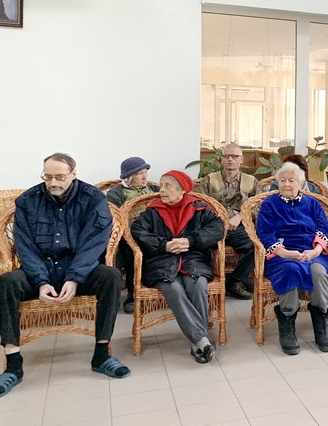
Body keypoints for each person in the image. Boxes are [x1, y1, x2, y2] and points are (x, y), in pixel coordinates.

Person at [0, 153, 130, 399]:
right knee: (5, 283)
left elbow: (93, 244)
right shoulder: (27, 200)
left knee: (110, 276)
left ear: (73, 174)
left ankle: (102, 355)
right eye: (48, 177)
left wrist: (75, 278)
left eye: (59, 177)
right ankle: (13, 364)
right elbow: (25, 247)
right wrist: (41, 281)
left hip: (79, 269)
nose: (53, 183)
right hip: (41, 269)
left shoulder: (93, 198)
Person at [131, 171, 224, 363]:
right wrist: (163, 245)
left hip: (193, 261)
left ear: (182, 190)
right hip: (161, 264)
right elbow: (138, 232)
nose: (162, 190)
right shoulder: (152, 212)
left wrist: (191, 241)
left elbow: (217, 228)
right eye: (161, 186)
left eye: (167, 186)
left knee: (198, 286)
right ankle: (201, 340)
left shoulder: (199, 209)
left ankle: (196, 342)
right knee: (173, 289)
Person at [256, 162, 328, 354]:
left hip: (311, 252)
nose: (286, 184)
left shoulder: (312, 203)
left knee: (318, 272)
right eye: (282, 180)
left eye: (291, 180)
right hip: (281, 255)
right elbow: (264, 233)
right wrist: (283, 252)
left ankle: (321, 322)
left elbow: (324, 228)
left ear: (300, 183)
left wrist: (316, 251)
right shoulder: (269, 204)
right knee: (290, 270)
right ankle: (287, 324)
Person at [194, 143, 255, 300]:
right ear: (221, 159)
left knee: (256, 245)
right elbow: (198, 205)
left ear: (241, 159)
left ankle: (234, 281)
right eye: (226, 156)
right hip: (213, 228)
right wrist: (217, 218)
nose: (230, 159)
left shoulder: (251, 181)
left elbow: (259, 206)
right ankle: (202, 285)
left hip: (237, 229)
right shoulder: (209, 180)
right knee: (197, 244)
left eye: (234, 156)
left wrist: (240, 216)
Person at [105, 156, 160, 314]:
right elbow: (114, 217)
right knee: (128, 249)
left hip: (156, 231)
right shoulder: (116, 193)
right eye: (140, 174)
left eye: (146, 172)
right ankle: (132, 294)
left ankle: (156, 290)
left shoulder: (154, 189)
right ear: (129, 177)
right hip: (129, 233)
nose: (145, 177)